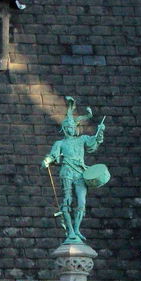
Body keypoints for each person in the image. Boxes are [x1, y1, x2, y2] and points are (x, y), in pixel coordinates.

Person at [42, 97, 108, 244]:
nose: (71, 128)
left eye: (73, 126)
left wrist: (100, 132)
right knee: (67, 201)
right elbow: (52, 155)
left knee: (81, 202)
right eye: (68, 126)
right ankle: (70, 231)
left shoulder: (82, 139)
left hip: (80, 173)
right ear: (65, 128)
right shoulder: (60, 143)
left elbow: (93, 142)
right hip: (66, 172)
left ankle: (77, 229)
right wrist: (47, 160)